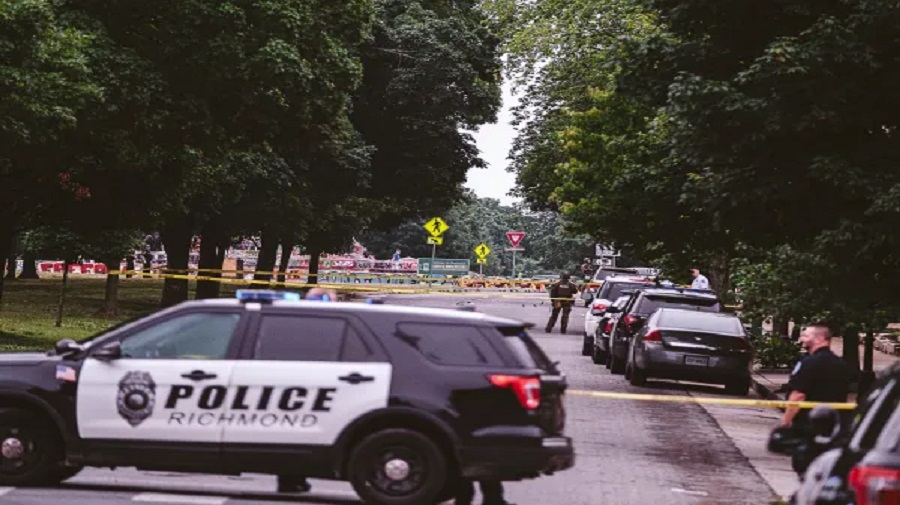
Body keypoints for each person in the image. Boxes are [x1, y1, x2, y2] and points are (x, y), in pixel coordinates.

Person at [276, 287, 340, 494]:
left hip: (293, 390)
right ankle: (293, 480)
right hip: (320, 391)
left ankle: (290, 480)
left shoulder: (293, 323)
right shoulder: (336, 324)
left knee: (291, 435)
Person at [780, 323, 851, 471]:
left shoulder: (809, 363)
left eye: (806, 335)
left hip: (807, 424)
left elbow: (798, 395)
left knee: (803, 465)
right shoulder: (841, 365)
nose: (801, 339)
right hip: (832, 426)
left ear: (819, 338)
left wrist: (786, 421)